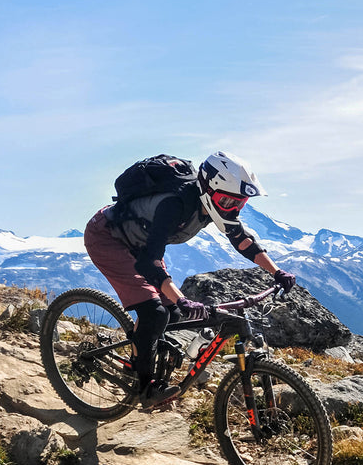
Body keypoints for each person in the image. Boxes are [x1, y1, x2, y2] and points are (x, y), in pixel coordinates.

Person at [83, 151, 296, 408]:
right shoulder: (175, 204)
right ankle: (145, 387)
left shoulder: (212, 205)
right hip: (108, 238)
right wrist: (183, 299)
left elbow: (242, 239)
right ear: (208, 189)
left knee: (170, 313)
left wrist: (276, 272)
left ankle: (142, 354)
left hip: (140, 242)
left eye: (240, 204)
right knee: (154, 312)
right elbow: (149, 262)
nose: (233, 209)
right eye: (228, 201)